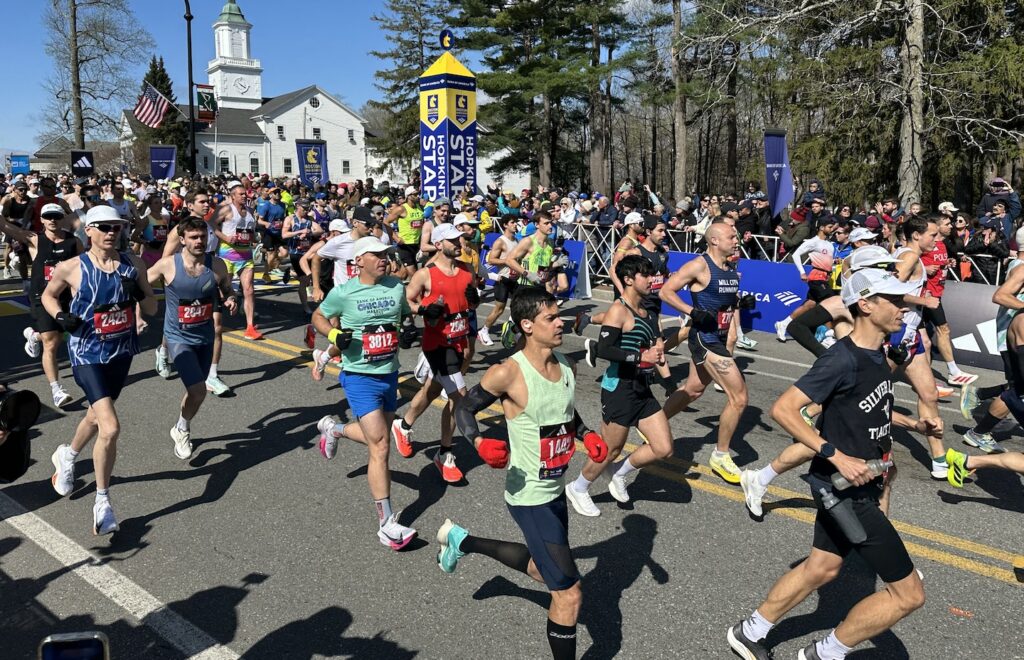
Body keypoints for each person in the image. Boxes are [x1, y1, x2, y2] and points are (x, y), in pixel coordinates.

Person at [728, 267, 931, 660]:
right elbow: (783, 409)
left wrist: (913, 425)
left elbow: (867, 408)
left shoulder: (878, 356)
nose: (904, 308)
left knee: (821, 568)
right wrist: (835, 455)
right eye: (894, 300)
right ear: (866, 305)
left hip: (860, 484)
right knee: (909, 595)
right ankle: (825, 653)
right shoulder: (841, 359)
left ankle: (749, 631)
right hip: (846, 490)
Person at [446, 286, 608, 660]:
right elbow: (464, 409)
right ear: (527, 325)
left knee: (541, 568)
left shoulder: (565, 365)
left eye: (558, 316)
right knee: (568, 594)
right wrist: (479, 442)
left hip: (555, 489)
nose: (560, 323)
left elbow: (563, 412)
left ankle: (463, 541)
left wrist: (585, 434)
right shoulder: (508, 372)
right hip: (529, 496)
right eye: (550, 318)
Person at [43, 205, 157, 535]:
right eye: (104, 227)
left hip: (121, 351)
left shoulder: (134, 264)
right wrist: (60, 316)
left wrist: (140, 294)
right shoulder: (71, 267)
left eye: (116, 227)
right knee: (110, 426)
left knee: (95, 415)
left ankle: (67, 455)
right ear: (89, 231)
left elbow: (151, 307)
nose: (111, 232)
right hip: (86, 353)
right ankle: (103, 502)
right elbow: (49, 295)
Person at [312, 236, 417, 550]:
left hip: (389, 373)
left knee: (377, 438)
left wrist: (424, 313)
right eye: (377, 255)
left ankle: (335, 429)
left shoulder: (395, 287)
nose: (385, 259)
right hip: (359, 376)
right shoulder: (344, 293)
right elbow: (318, 316)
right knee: (381, 445)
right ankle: (386, 524)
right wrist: (334, 334)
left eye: (386, 254)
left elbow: (404, 313)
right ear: (359, 261)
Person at [565, 256, 672, 517]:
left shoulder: (649, 312)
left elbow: (656, 351)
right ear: (628, 280)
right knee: (610, 449)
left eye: (652, 274)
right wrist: (640, 356)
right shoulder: (618, 310)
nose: (651, 279)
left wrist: (668, 379)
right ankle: (578, 487)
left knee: (663, 448)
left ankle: (619, 473)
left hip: (642, 388)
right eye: (645, 275)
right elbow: (604, 349)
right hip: (619, 389)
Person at [659, 222, 754, 484]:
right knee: (739, 398)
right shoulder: (699, 265)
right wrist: (692, 312)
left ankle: (655, 423)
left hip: (720, 336)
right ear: (714, 240)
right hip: (705, 338)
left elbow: (723, 301)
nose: (736, 240)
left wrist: (739, 303)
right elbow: (666, 291)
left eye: (736, 236)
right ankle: (720, 455)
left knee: (693, 390)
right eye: (731, 236)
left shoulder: (730, 267)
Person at [391, 222, 476, 483]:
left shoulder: (467, 270)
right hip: (437, 344)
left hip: (459, 342)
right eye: (453, 240)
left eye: (459, 239)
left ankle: (403, 425)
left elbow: (470, 303)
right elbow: (405, 300)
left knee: (432, 389)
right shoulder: (425, 274)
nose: (459, 243)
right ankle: (444, 453)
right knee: (459, 396)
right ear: (438, 244)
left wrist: (474, 300)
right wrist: (423, 309)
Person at [147, 218, 238, 460]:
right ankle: (183, 430)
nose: (199, 241)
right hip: (178, 337)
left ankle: (180, 426)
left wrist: (231, 298)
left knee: (196, 392)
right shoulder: (168, 265)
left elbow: (227, 289)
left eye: (202, 237)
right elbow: (140, 286)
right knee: (198, 390)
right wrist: (136, 313)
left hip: (205, 337)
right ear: (182, 240)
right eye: (193, 237)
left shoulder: (217, 265)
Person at [0, 203, 82, 408]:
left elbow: (83, 268)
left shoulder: (74, 242)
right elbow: (5, 226)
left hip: (67, 297)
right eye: (48, 216)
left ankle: (33, 336)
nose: (52, 220)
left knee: (60, 335)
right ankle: (56, 389)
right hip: (42, 296)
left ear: (63, 219)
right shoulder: (35, 239)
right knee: (51, 341)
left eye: (56, 216)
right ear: (42, 220)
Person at [920, 213, 977, 387]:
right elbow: (907, 260)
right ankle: (953, 372)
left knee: (924, 339)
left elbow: (938, 263)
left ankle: (925, 377)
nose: (951, 226)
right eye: (947, 224)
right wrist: (923, 268)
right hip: (926, 295)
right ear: (937, 226)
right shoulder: (925, 245)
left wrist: (947, 263)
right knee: (942, 329)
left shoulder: (942, 244)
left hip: (937, 293)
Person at [775, 215, 838, 342]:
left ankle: (783, 324)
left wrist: (834, 262)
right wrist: (802, 272)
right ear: (821, 228)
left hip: (826, 277)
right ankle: (828, 336)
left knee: (810, 304)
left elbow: (827, 261)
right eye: (830, 227)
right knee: (831, 304)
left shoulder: (829, 244)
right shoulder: (813, 242)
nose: (832, 229)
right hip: (816, 278)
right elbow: (796, 255)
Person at [214, 180, 262, 340]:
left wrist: (253, 238)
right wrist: (226, 237)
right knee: (223, 291)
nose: (244, 196)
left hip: (246, 256)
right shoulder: (226, 210)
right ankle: (213, 320)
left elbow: (251, 232)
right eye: (240, 194)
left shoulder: (250, 211)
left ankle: (250, 327)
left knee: (249, 290)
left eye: (245, 193)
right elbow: (211, 225)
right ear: (233, 196)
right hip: (227, 256)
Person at [481, 214, 519, 345]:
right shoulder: (500, 241)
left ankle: (511, 331)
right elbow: (491, 260)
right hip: (503, 279)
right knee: (499, 309)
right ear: (505, 225)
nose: (515, 224)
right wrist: (507, 261)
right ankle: (484, 330)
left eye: (516, 222)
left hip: (515, 279)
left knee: (518, 307)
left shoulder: (516, 240)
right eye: (512, 222)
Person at [281, 199, 323, 313]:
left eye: (308, 208)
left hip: (308, 253)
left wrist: (310, 233)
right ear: (298, 207)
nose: (306, 210)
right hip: (295, 253)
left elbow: (320, 230)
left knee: (307, 278)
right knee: (305, 280)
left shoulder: (309, 219)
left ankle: (292, 273)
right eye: (304, 208)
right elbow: (284, 234)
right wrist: (299, 232)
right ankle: (306, 306)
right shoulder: (290, 219)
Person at [388, 186, 424, 279]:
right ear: (408, 196)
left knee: (402, 275)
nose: (418, 196)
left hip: (416, 244)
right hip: (405, 245)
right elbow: (386, 222)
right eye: (415, 194)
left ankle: (388, 282)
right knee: (415, 276)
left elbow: (421, 224)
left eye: (418, 194)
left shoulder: (420, 207)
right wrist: (396, 238)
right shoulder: (401, 209)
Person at [256, 187, 288, 284]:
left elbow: (284, 217)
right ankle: (266, 274)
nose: (277, 194)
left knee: (285, 253)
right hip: (269, 233)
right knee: (270, 255)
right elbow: (259, 220)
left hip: (279, 233)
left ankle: (274, 263)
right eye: (275, 192)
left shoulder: (283, 205)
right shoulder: (266, 205)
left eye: (278, 192)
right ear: (270, 195)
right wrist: (266, 223)